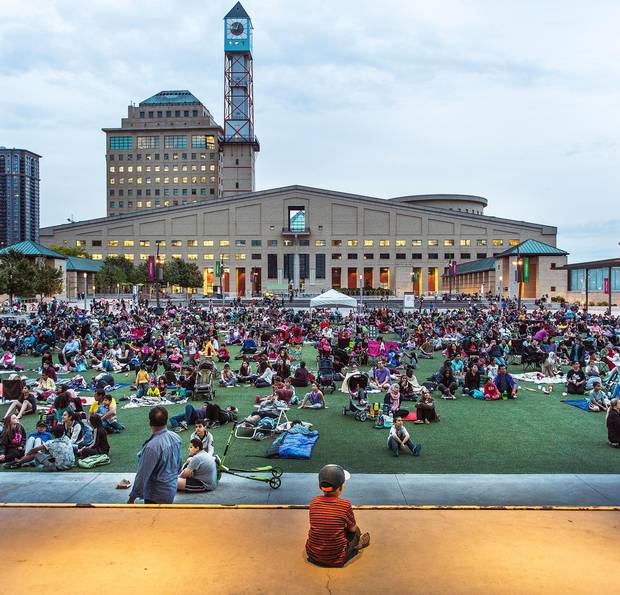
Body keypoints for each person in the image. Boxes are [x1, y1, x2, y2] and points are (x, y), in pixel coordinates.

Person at [306, 464, 370, 567]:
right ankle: (356, 548)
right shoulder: (345, 505)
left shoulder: (314, 502)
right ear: (340, 488)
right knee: (356, 531)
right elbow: (352, 529)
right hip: (337, 560)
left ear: (320, 487)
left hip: (313, 556)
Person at [128, 406, 182, 504]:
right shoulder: (176, 437)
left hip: (155, 495)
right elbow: (179, 464)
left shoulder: (152, 447)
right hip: (171, 489)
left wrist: (132, 498)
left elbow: (142, 475)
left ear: (150, 422)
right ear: (166, 420)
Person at [5, 424, 75, 471]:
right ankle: (21, 462)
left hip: (59, 467)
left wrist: (26, 456)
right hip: (71, 464)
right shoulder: (67, 439)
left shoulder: (51, 443)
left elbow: (34, 450)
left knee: (36, 455)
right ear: (63, 433)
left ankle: (18, 462)